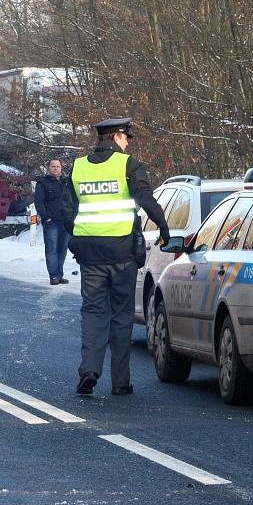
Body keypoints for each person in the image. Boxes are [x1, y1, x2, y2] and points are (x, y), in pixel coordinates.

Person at [63, 118, 169, 396]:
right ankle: (120, 382)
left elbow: (66, 211)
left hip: (90, 255)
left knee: (93, 312)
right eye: (126, 138)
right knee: (121, 316)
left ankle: (89, 370)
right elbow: (146, 199)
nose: (127, 143)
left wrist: (76, 239)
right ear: (117, 137)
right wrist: (164, 227)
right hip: (121, 254)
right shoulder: (128, 165)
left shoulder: (79, 167)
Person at [34, 158, 70, 285]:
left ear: (61, 168)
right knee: (51, 249)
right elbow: (38, 202)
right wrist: (45, 217)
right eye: (53, 166)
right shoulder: (43, 183)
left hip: (65, 222)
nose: (55, 168)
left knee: (62, 250)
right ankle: (53, 276)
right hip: (51, 222)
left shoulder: (66, 182)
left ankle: (60, 275)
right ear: (49, 168)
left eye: (58, 166)